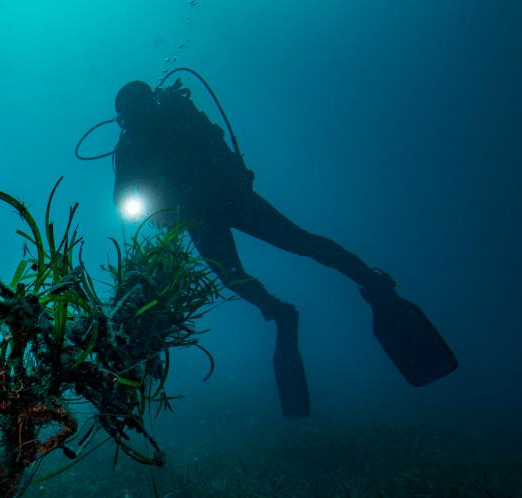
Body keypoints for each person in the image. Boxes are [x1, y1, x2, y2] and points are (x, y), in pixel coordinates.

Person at [111, 77, 457, 418]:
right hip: (203, 214)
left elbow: (214, 141)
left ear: (148, 103)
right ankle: (283, 311)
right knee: (241, 273)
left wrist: (227, 180)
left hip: (228, 199)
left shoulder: (176, 111)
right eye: (129, 115)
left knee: (296, 244)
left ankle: (369, 283)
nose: (135, 119)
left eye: (137, 110)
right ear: (123, 119)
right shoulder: (130, 146)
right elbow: (123, 197)